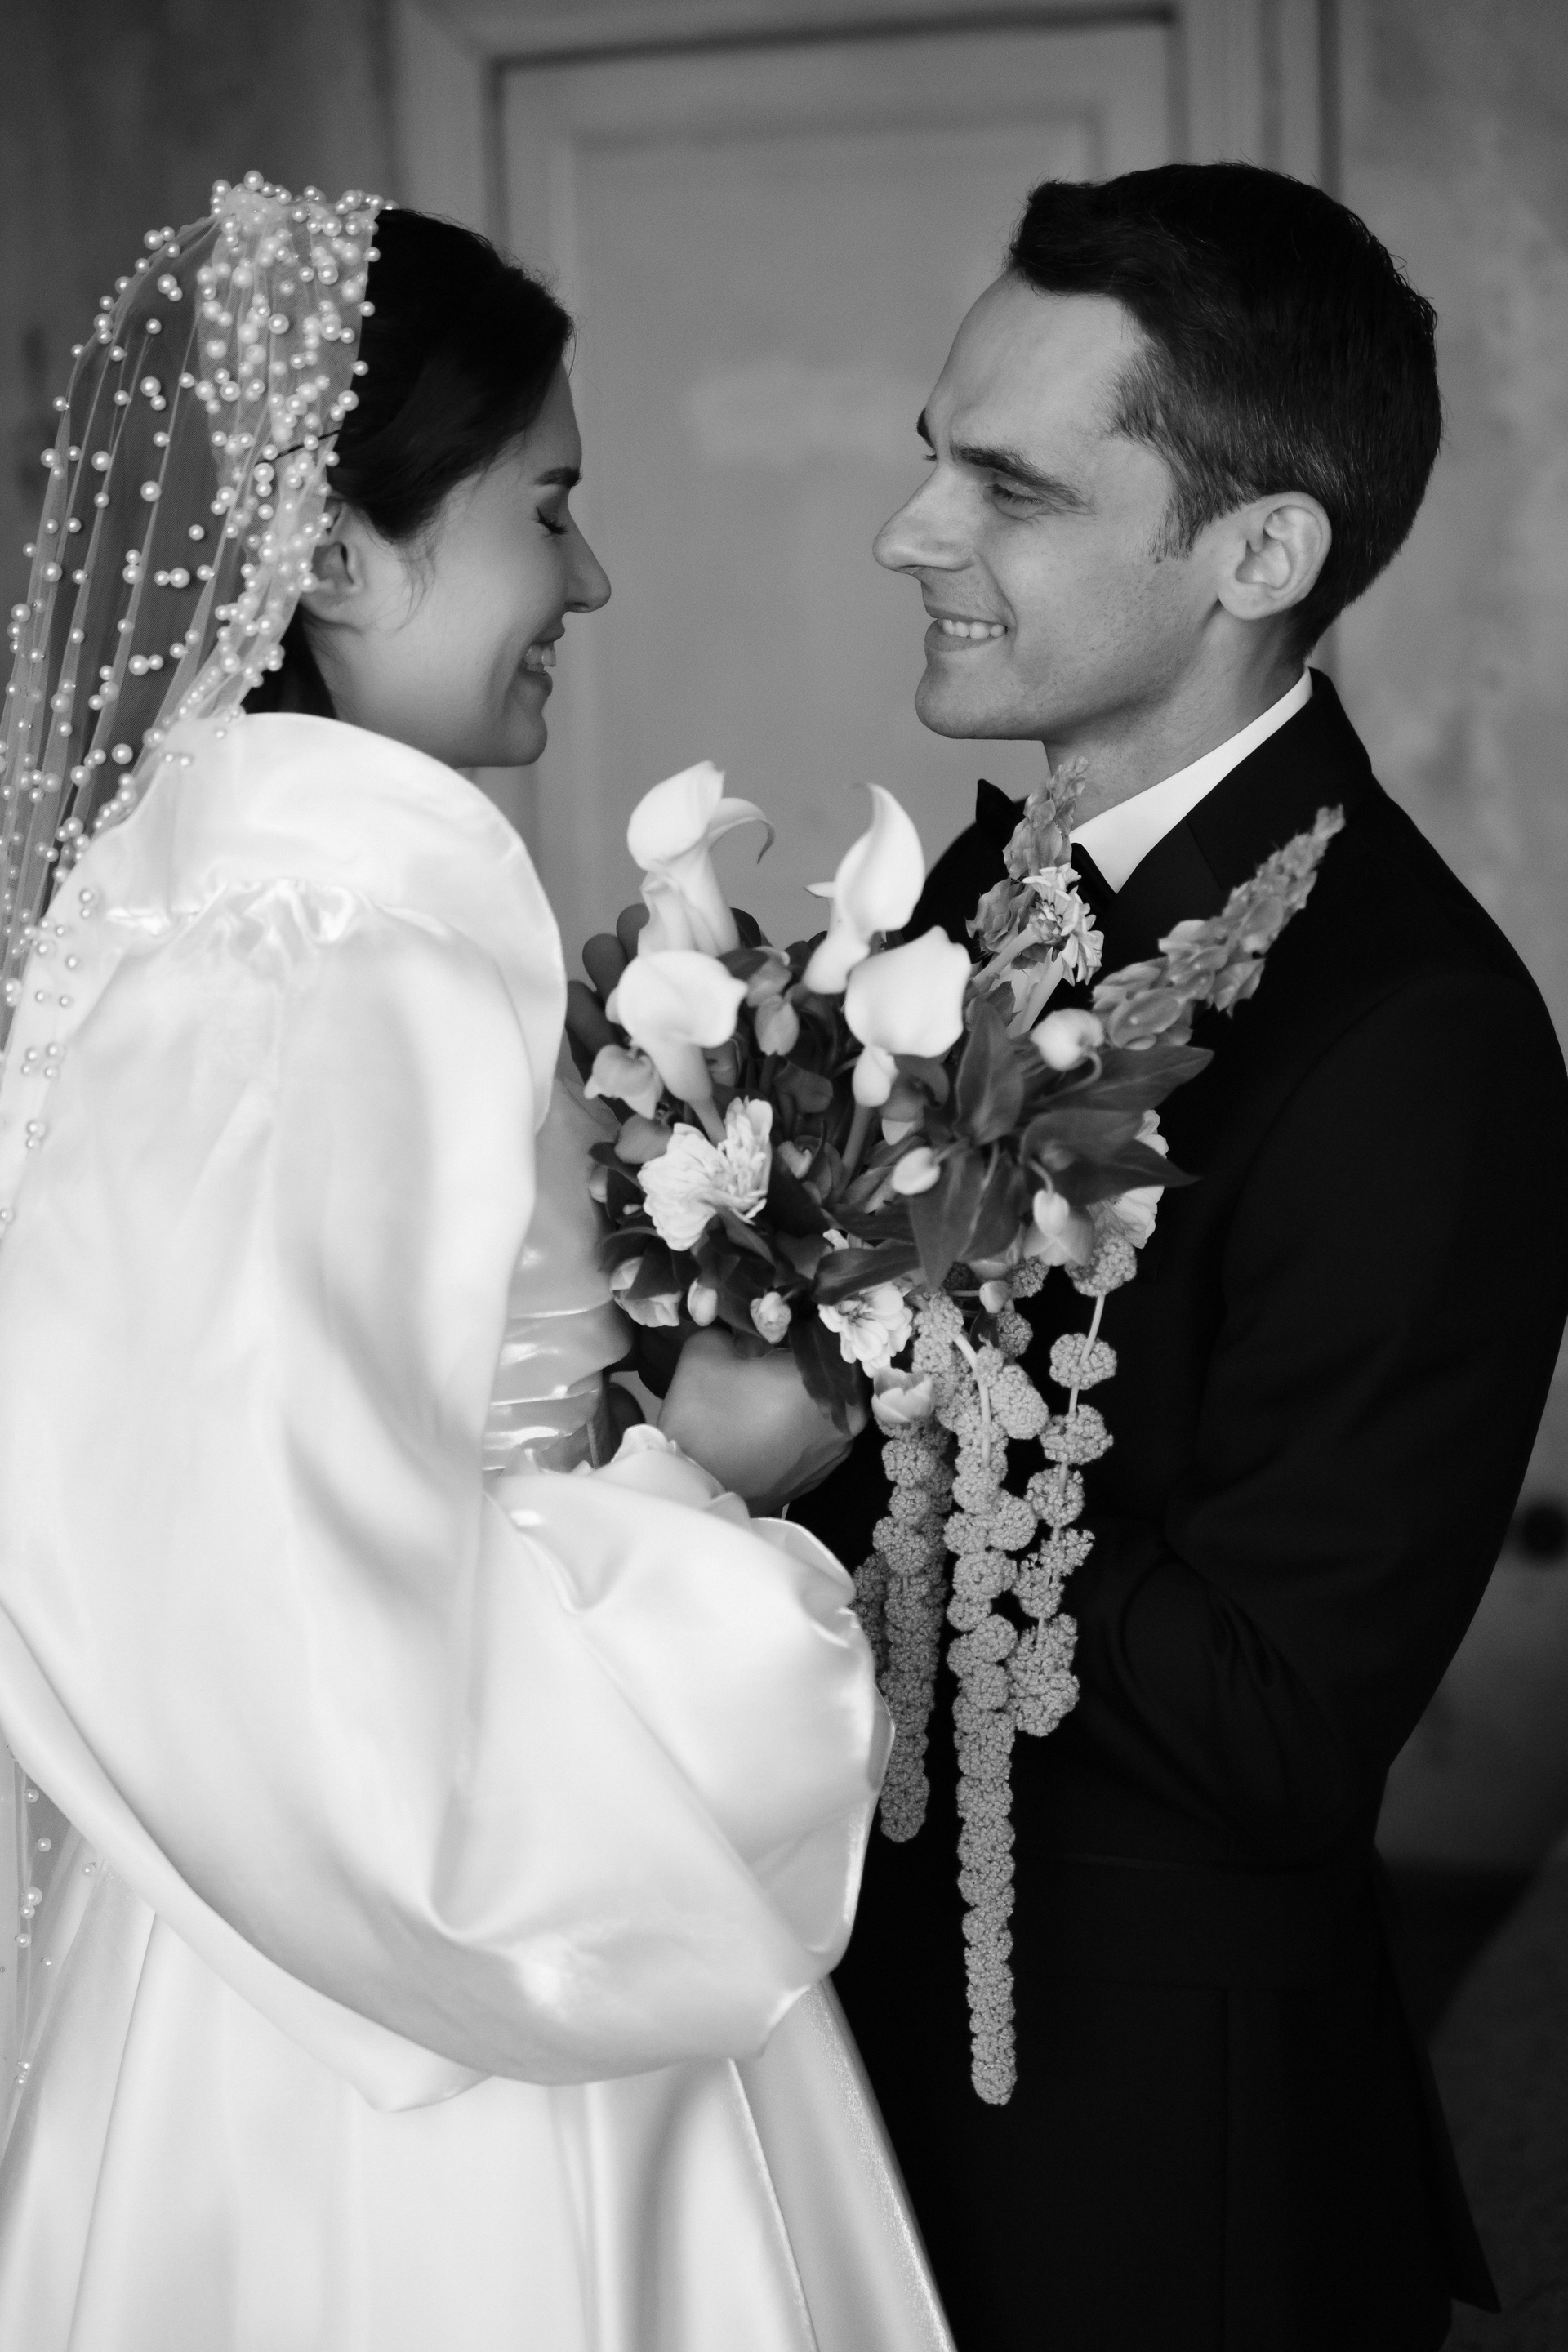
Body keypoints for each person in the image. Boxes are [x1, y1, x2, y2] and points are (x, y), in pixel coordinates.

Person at [0, 180, 952, 2352]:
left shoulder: (216, 921)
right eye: (549, 506)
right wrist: (705, 1487)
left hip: (253, 1974)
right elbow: (279, 1635)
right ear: (338, 556)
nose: (588, 580)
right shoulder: (332, 958)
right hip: (437, 2023)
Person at [793, 162, 1568, 2351]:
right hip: (849, 2060)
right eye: (933, 459)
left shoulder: (1410, 1033)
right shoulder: (967, 910)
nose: (912, 533)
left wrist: (851, 1423)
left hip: (1149, 2166)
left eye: (1010, 487)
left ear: (1259, 554)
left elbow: (1274, 1716)